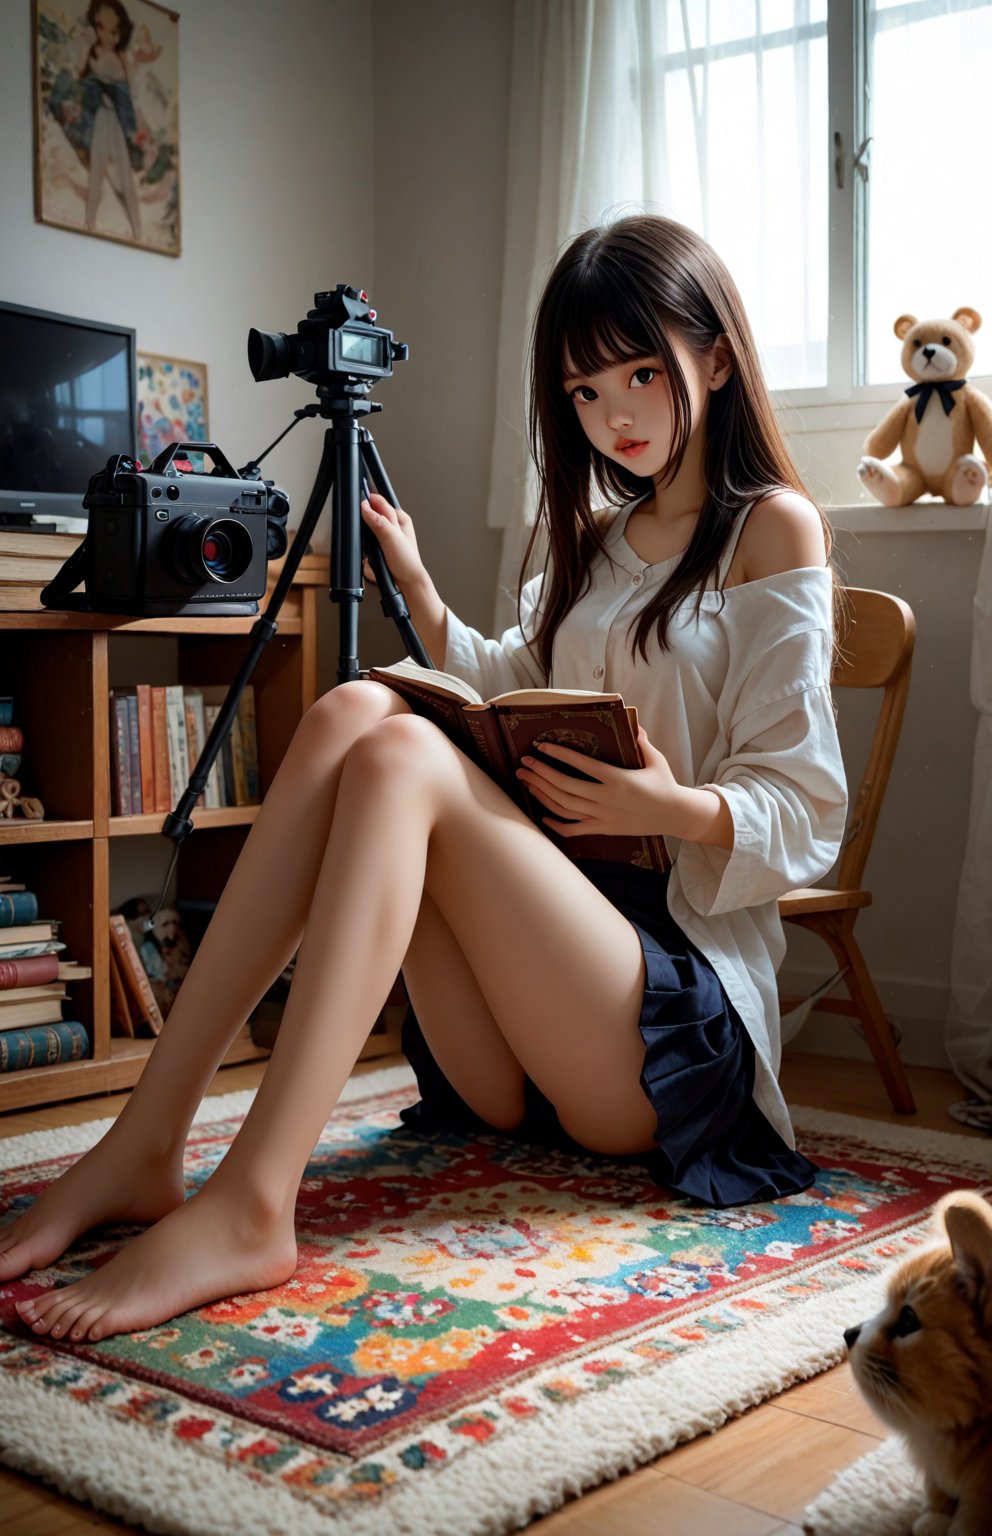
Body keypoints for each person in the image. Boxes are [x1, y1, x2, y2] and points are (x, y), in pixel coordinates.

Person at [0, 215, 848, 1345]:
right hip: (527, 1017)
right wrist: (421, 591)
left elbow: (807, 810)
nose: (616, 416)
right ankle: (149, 1136)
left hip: (663, 1015)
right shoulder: (597, 540)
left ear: (718, 357)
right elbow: (515, 686)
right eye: (585, 391)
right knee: (358, 704)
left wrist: (668, 806)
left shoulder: (772, 532)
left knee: (397, 747)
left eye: (641, 373)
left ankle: (254, 1200)